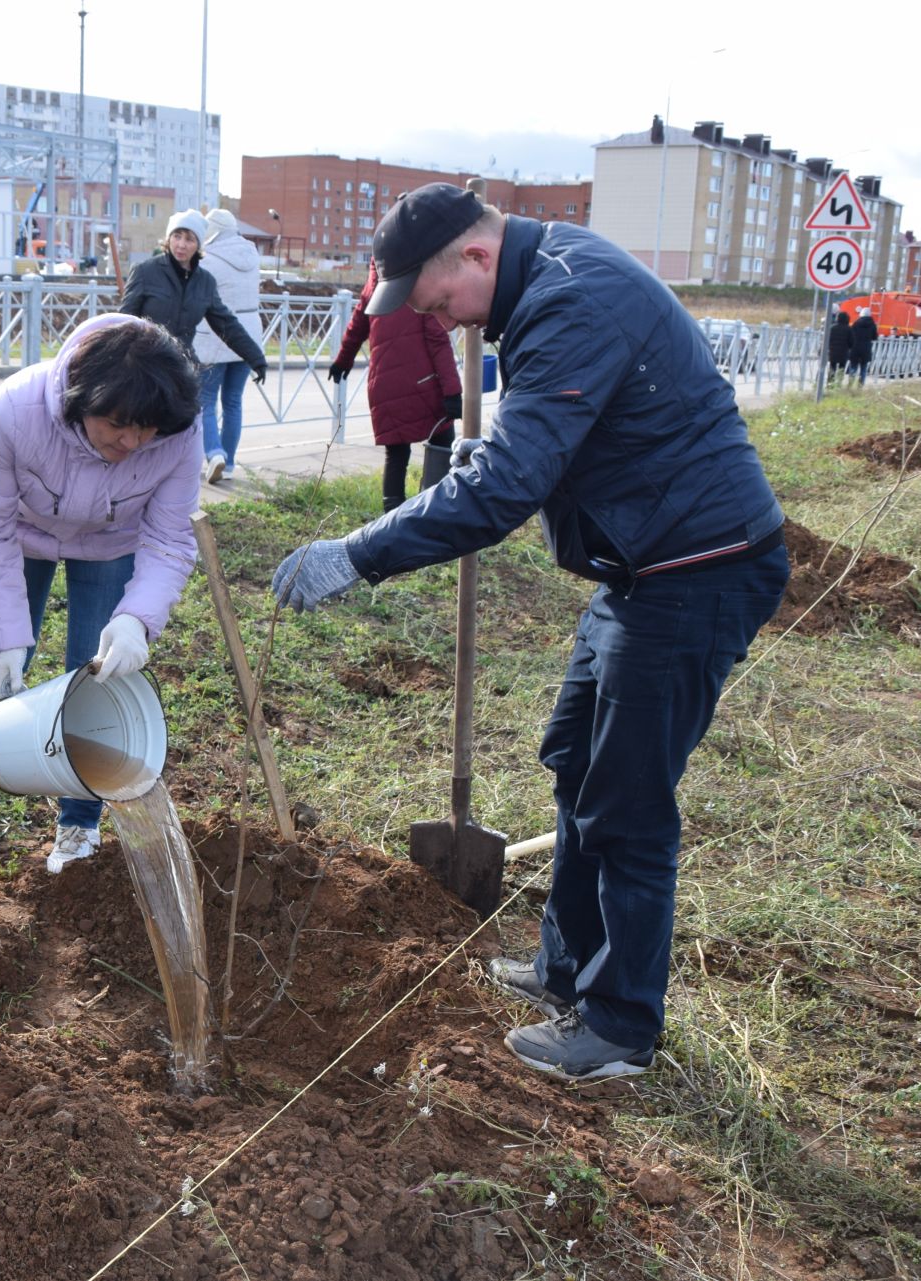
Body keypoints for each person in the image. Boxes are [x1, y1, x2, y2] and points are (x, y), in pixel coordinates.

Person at [270, 184, 787, 1083]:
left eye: (435, 303)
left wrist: (360, 552)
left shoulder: (571, 297)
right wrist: (504, 454)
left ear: (475, 257)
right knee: (574, 759)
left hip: (694, 570)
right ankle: (562, 971)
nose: (436, 320)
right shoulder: (545, 281)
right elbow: (562, 436)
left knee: (625, 800)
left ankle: (619, 1025)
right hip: (641, 567)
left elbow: (507, 490)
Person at [0, 315, 201, 873]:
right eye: (116, 425)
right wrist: (9, 636)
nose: (131, 443)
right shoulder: (19, 410)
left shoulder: (178, 428)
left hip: (113, 541)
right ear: (82, 399)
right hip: (25, 533)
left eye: (146, 430)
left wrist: (136, 618)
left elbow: (171, 536)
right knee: (0, 655)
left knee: (99, 673)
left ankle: (79, 821)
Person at [329, 255, 464, 512]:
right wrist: (453, 392)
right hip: (425, 385)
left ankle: (391, 520)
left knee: (396, 456)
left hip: (384, 387)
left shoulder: (374, 286)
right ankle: (437, 511)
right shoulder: (421, 286)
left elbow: (357, 325)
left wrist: (342, 361)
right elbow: (438, 342)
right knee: (443, 444)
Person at [118, 209, 267, 440]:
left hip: (182, 368)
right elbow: (124, 319)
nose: (181, 244)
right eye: (177, 236)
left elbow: (226, 323)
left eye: (189, 239)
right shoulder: (146, 271)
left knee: (180, 430)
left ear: (199, 244)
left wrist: (255, 357)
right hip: (147, 367)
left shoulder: (205, 282)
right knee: (144, 429)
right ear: (168, 239)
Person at [192, 209, 264, 483]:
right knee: (233, 401)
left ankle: (214, 453)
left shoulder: (208, 259)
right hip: (248, 334)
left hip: (216, 333)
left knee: (205, 400)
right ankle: (230, 463)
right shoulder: (252, 254)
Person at [847, 308, 878, 387]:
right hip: (866, 349)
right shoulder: (873, 325)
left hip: (855, 348)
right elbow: (875, 337)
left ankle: (850, 385)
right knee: (863, 369)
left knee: (853, 367)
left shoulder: (856, 324)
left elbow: (851, 335)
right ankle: (860, 386)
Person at [826, 310, 851, 379]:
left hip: (833, 351)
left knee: (832, 367)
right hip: (843, 352)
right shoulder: (849, 329)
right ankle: (839, 384)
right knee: (841, 368)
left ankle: (830, 383)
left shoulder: (832, 328)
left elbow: (828, 339)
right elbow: (851, 342)